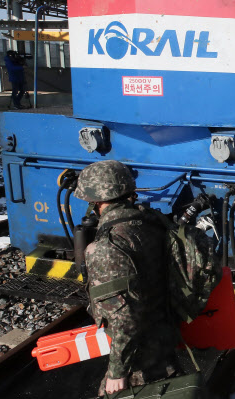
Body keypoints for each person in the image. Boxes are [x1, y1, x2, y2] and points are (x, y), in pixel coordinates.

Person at [75, 160, 180, 396]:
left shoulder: (107, 247)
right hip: (163, 335)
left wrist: (117, 372)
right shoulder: (150, 221)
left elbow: (124, 317)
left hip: (140, 358)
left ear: (96, 201)